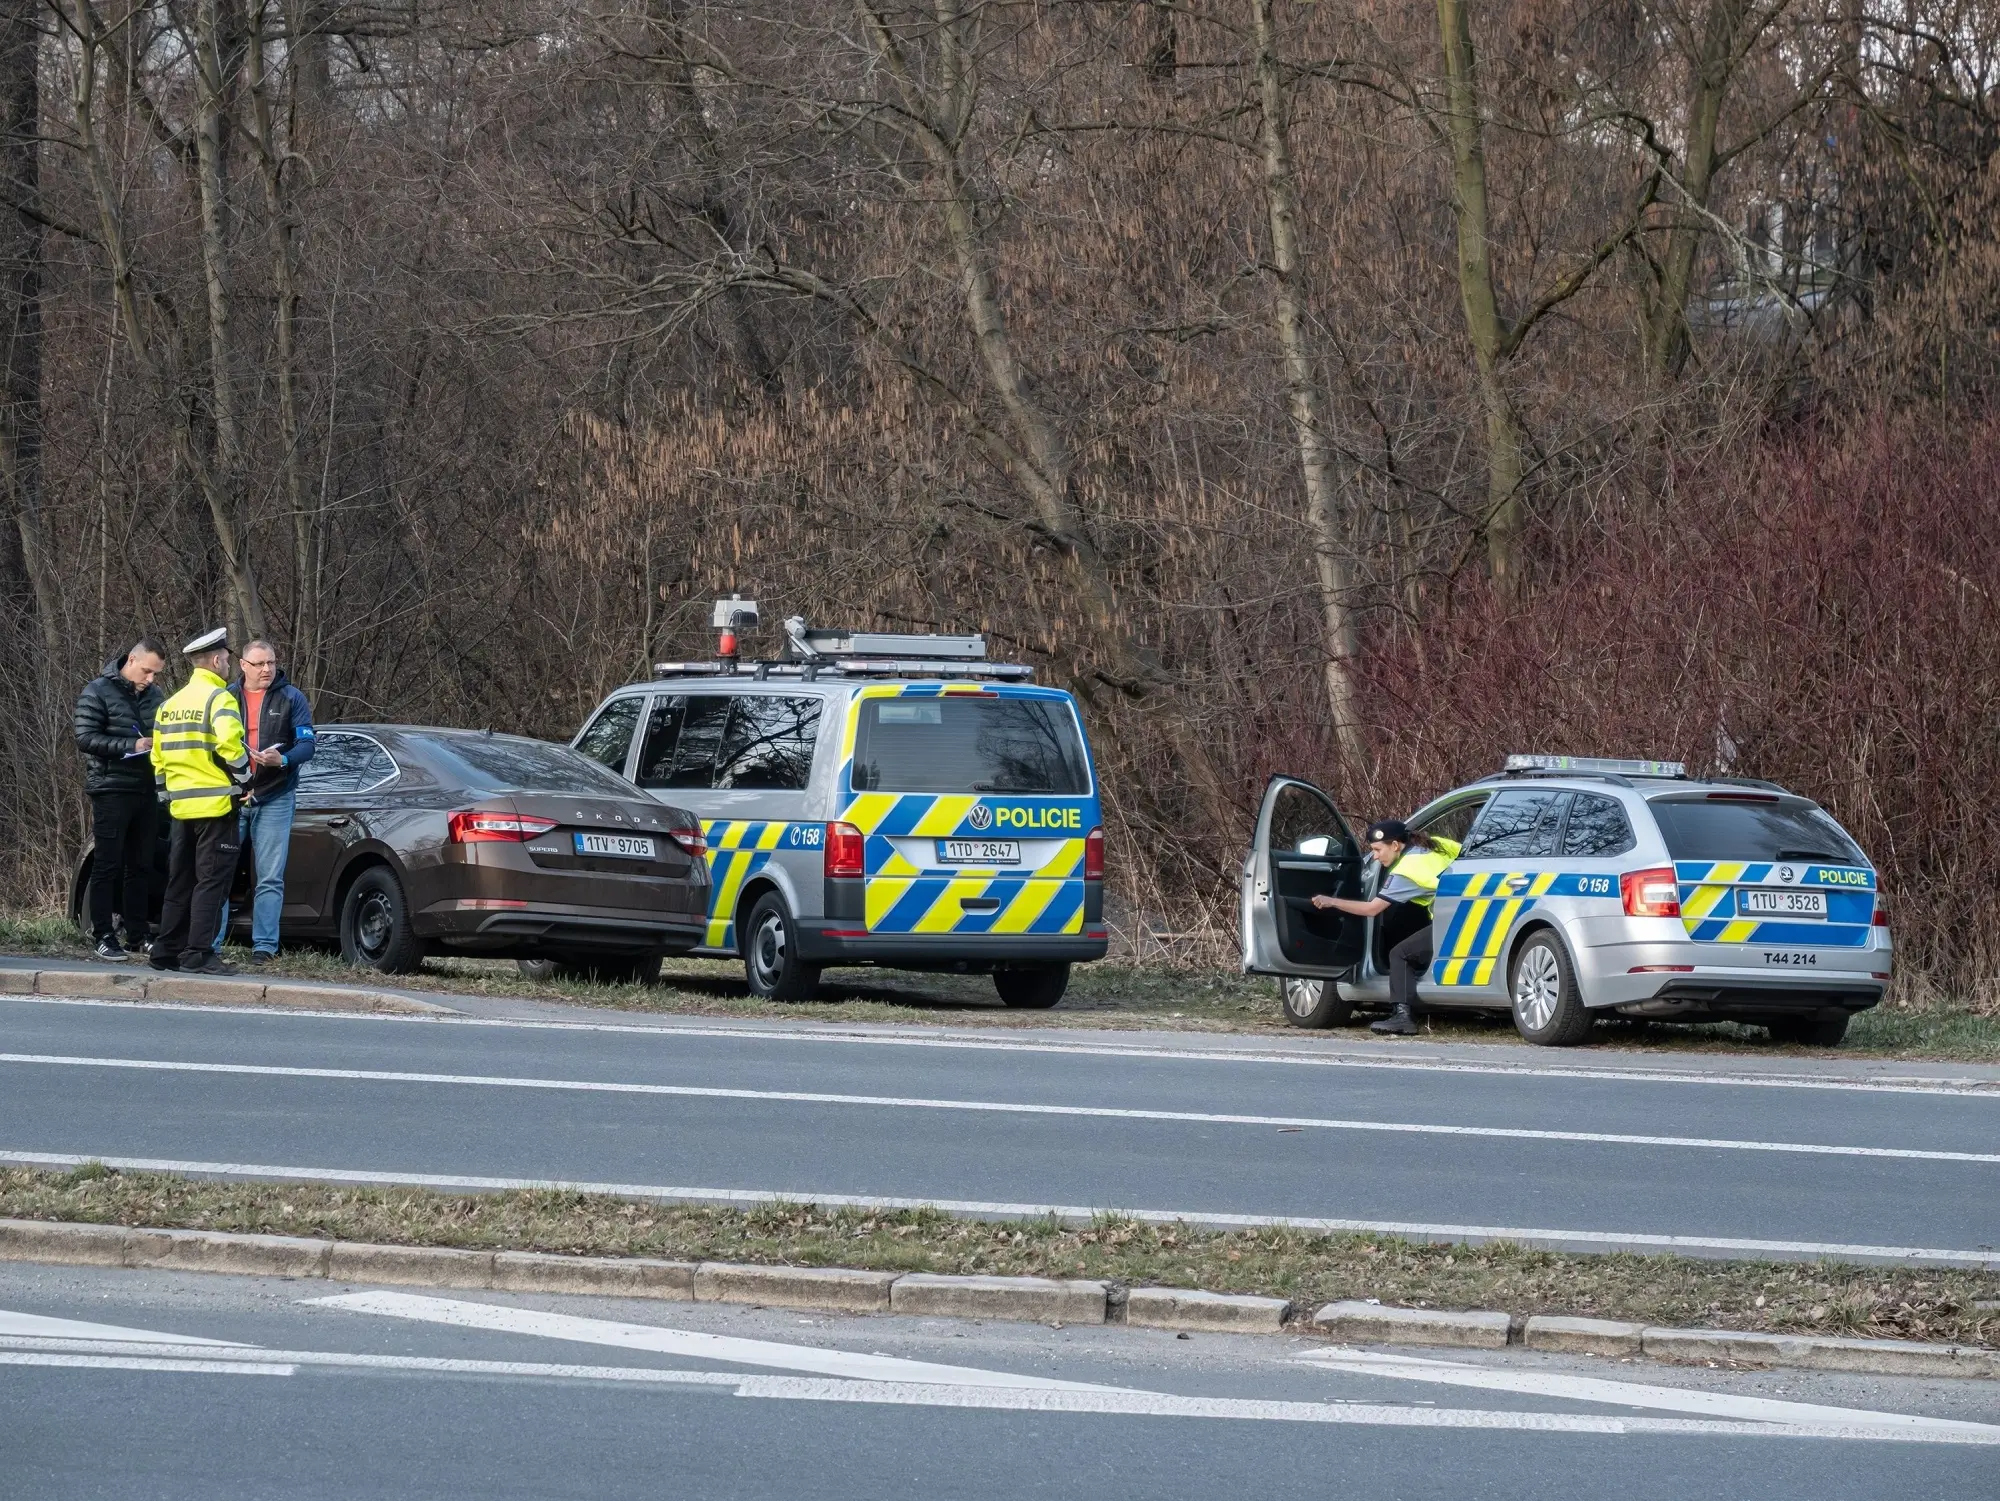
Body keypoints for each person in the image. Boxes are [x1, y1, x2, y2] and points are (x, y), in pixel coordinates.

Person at [148, 628, 249, 976]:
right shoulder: (220, 699)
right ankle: (198, 954)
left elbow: (158, 759)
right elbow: (230, 746)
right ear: (217, 660)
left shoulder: (169, 705)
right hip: (216, 807)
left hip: (181, 809)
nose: (228, 666)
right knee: (211, 883)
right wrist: (246, 780)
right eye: (227, 660)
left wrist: (166, 795)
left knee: (180, 881)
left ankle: (165, 951)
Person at [211, 640, 315, 962]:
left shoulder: (292, 697)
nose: (267, 669)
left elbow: (307, 745)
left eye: (271, 662)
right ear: (243, 665)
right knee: (219, 872)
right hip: (232, 797)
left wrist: (282, 760)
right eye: (259, 664)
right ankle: (210, 945)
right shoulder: (226, 697)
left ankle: (265, 947)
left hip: (275, 796)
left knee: (269, 876)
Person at [1312, 818, 1461, 1036]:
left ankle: (1403, 1017)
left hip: (1452, 925)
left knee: (1400, 954)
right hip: (1469, 913)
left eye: (1377, 850)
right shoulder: (1436, 845)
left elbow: (1372, 909)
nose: (1374, 856)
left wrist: (1332, 902)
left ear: (1395, 845)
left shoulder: (1405, 872)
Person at [73, 638, 170, 961]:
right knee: (107, 864)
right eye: (146, 671)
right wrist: (131, 746)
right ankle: (103, 933)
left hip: (147, 790)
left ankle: (138, 934)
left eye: (156, 674)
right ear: (131, 660)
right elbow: (85, 737)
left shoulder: (155, 696)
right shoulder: (97, 691)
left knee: (141, 866)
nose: (150, 679)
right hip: (110, 788)